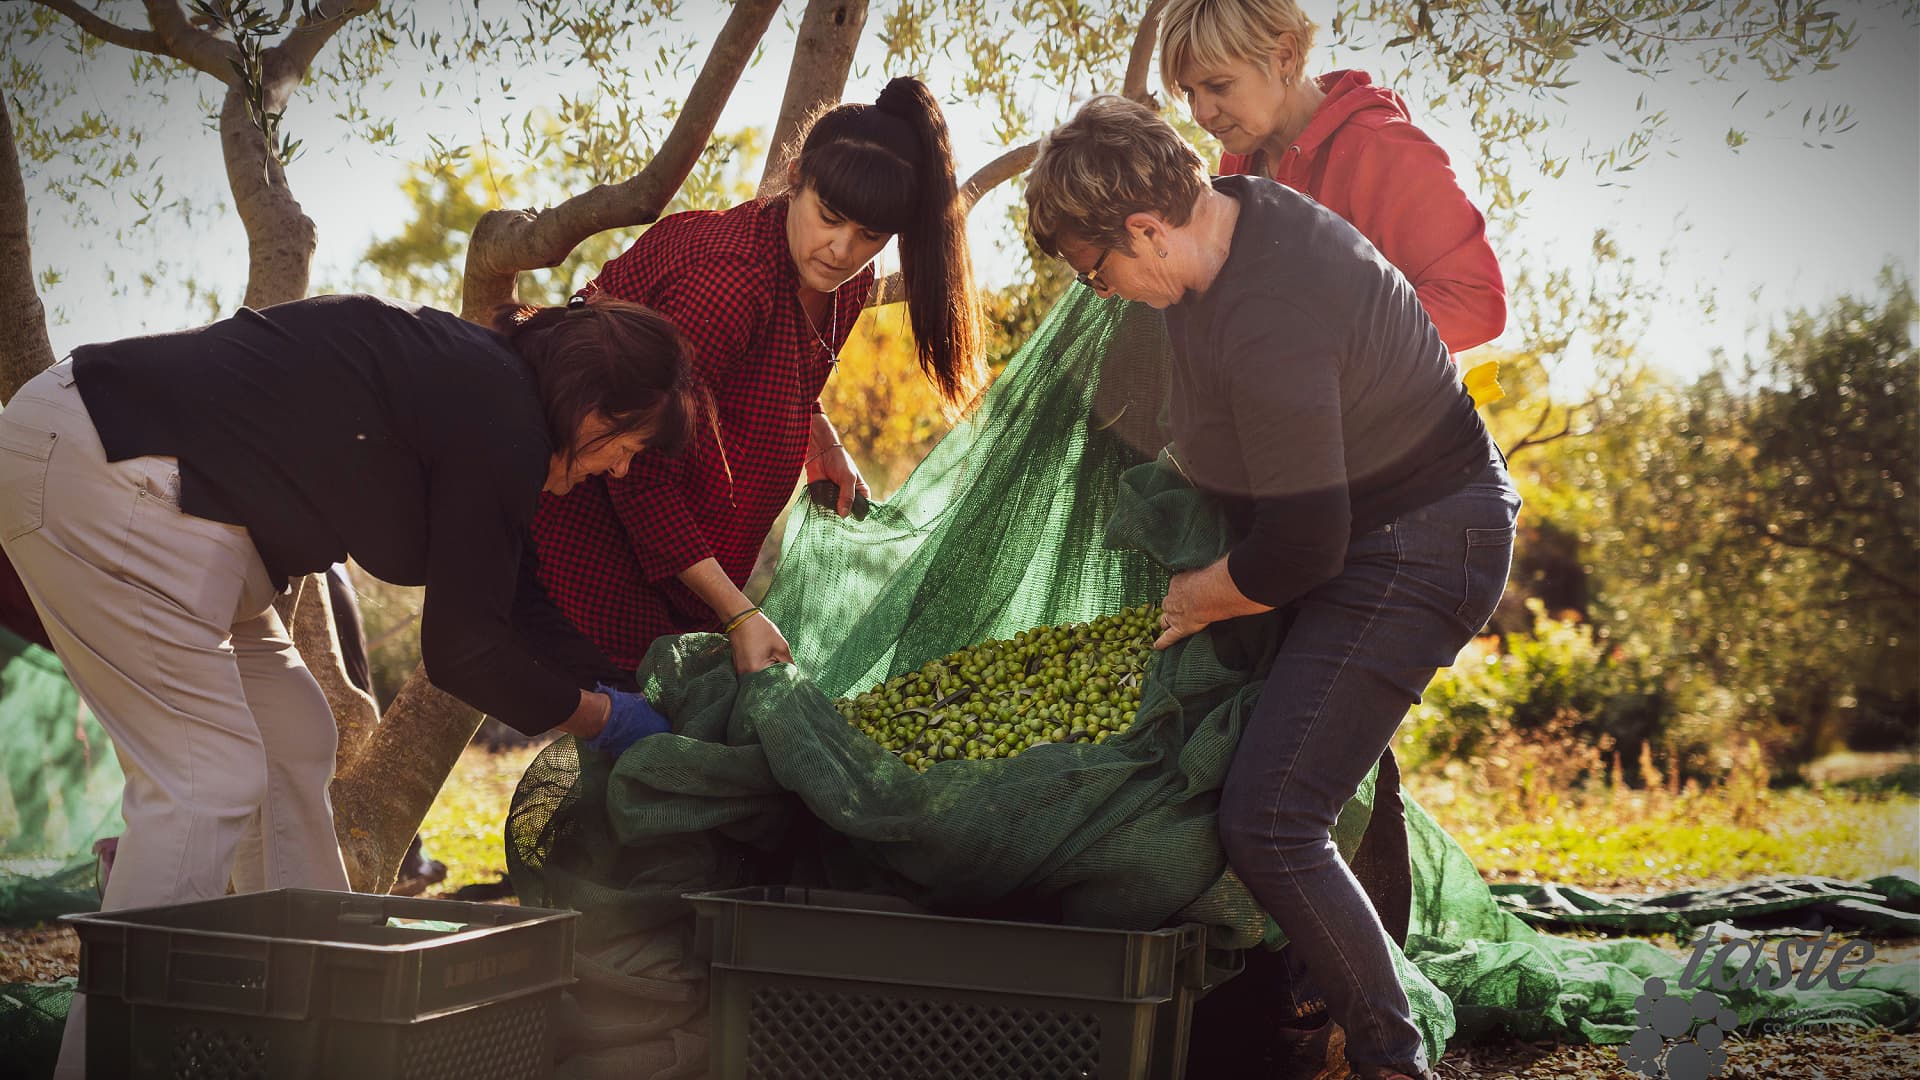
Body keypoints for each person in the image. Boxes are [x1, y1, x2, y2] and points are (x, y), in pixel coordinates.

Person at [0, 293, 697, 1077]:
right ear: (593, 404)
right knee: (204, 781)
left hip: (188, 505)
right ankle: (109, 1061)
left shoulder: (488, 396)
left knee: (295, 736)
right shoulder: (497, 412)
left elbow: (512, 602)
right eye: (628, 445)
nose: (621, 467)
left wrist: (633, 683)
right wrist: (603, 718)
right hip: (111, 464)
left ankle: (316, 1032)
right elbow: (464, 652)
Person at [1025, 97, 1519, 1080]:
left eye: (1098, 273)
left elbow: (1300, 544)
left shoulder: (1273, 312)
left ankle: (1390, 1060)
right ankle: (1299, 1010)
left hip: (1425, 541)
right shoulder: (1228, 220)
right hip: (1356, 532)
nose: (1107, 292)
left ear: (1144, 228)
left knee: (1272, 816)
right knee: (1290, 763)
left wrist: (1199, 596)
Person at [532, 75, 981, 677]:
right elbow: (633, 471)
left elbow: (783, 376)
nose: (842, 251)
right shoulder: (731, 285)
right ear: (795, 177)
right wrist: (739, 615)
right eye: (830, 217)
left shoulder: (848, 287)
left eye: (870, 237)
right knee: (632, 737)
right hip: (601, 559)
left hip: (694, 572)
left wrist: (822, 443)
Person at [1160, 0, 1506, 356]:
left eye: (1218, 86)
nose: (1201, 112)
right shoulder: (1238, 162)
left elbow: (1474, 302)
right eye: (1189, 92)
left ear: (1284, 56)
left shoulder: (1382, 147)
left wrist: (1324, 348)